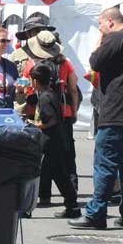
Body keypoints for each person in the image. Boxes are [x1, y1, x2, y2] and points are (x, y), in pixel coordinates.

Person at [69, 8, 123, 230]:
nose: (100, 29)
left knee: (105, 164)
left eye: (100, 25)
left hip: (117, 113)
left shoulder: (114, 39)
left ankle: (96, 213)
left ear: (110, 22)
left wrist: (99, 43)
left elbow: (95, 62)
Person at [21, 30, 80, 196]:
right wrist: (74, 110)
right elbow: (73, 88)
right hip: (64, 111)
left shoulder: (32, 63)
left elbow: (27, 88)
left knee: (42, 155)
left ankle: (45, 191)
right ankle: (71, 186)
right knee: (66, 152)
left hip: (39, 113)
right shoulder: (65, 62)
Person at [28, 63, 80, 218]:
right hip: (56, 141)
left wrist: (35, 125)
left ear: (35, 81)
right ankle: (72, 205)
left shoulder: (45, 97)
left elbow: (52, 120)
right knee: (60, 175)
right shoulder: (51, 94)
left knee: (35, 174)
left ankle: (27, 207)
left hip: (50, 142)